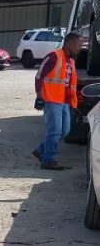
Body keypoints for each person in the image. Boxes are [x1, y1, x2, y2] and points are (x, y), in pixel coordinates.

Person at [32, 31, 84, 170]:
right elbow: (39, 76)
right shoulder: (54, 56)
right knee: (55, 131)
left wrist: (73, 104)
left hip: (64, 102)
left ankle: (41, 150)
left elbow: (70, 85)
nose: (80, 48)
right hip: (51, 100)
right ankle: (49, 160)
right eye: (79, 44)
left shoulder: (71, 61)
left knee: (65, 131)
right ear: (70, 43)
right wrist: (39, 96)